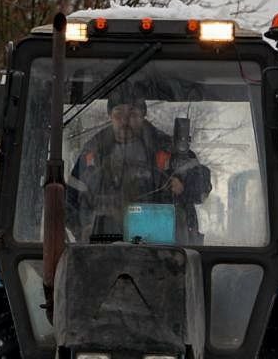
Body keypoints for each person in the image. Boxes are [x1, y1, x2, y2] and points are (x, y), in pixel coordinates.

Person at [66, 83, 211, 243]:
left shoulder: (168, 149)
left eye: (133, 114)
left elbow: (202, 186)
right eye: (118, 113)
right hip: (104, 249)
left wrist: (184, 186)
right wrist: (83, 230)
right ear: (110, 116)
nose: (125, 120)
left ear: (143, 115)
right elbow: (68, 202)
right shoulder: (92, 154)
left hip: (166, 251)